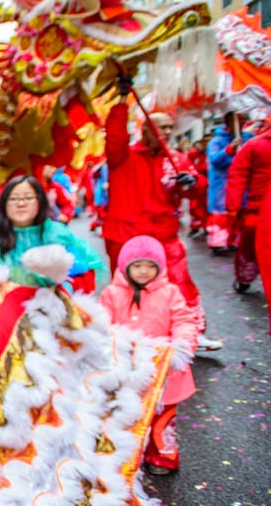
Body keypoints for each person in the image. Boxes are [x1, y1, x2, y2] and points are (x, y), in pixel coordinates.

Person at [104, 77, 222, 350]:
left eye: (170, 127)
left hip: (165, 236)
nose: (167, 132)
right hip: (126, 235)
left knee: (180, 283)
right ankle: (128, 337)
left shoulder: (177, 160)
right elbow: (115, 137)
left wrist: (194, 185)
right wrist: (122, 102)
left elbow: (197, 191)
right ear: (145, 130)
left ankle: (190, 333)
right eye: (161, 127)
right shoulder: (123, 156)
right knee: (126, 289)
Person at [99, 236, 198, 475]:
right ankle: (124, 456)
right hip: (127, 368)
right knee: (125, 415)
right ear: (126, 267)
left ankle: (161, 457)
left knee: (162, 419)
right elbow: (101, 323)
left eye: (151, 265)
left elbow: (184, 320)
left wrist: (181, 344)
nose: (144, 271)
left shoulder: (170, 292)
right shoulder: (112, 293)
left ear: (159, 267)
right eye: (138, 265)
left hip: (164, 368)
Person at [0, 176, 105, 295]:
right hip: (3, 319)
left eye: (28, 197)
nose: (21, 203)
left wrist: (65, 289)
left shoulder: (58, 234)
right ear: (4, 203)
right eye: (14, 198)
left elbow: (84, 274)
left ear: (40, 202)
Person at [226, 122, 271, 306]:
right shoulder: (255, 145)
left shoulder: (254, 144)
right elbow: (238, 175)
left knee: (251, 246)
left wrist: (233, 207)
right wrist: (233, 206)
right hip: (258, 209)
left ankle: (245, 277)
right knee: (250, 246)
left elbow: (237, 175)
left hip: (257, 210)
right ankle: (245, 276)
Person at [207, 113, 251, 251]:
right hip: (222, 185)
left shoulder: (249, 139)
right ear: (228, 121)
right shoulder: (216, 141)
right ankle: (219, 242)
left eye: (244, 119)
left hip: (243, 184)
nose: (243, 122)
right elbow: (215, 159)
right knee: (221, 213)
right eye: (238, 119)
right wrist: (230, 149)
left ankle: (235, 240)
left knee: (240, 212)